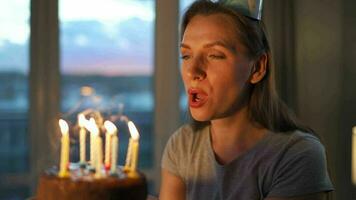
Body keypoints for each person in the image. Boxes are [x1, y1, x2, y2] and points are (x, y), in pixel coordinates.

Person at [159, 0, 334, 200]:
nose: (192, 71)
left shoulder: (297, 156)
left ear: (258, 68)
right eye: (186, 55)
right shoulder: (182, 146)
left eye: (215, 55)